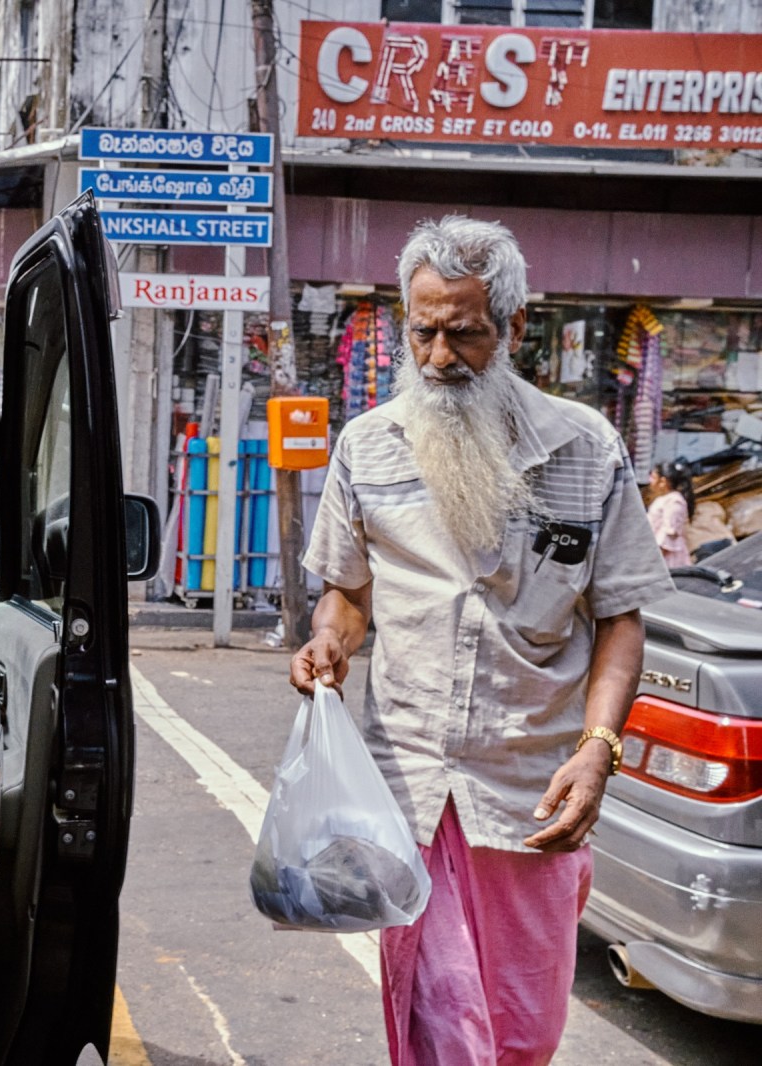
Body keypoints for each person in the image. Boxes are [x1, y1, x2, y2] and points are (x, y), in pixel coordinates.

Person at [289, 217, 672, 1065]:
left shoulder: (587, 449)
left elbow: (620, 617)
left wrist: (598, 751)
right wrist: (330, 642)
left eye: (463, 333)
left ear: (514, 327)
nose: (437, 356)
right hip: (408, 792)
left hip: (530, 796)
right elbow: (349, 593)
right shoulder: (368, 445)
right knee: (433, 1020)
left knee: (522, 1029)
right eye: (422, 330)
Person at [646, 461, 695, 568]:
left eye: (653, 477)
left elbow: (669, 533)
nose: (649, 481)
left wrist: (652, 561)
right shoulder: (662, 500)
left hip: (669, 561)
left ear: (663, 481)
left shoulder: (674, 502)